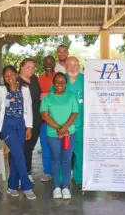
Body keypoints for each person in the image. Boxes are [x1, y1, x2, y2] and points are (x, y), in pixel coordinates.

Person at [0, 65, 36, 200]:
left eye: (11, 74)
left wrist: (29, 127)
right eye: (6, 76)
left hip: (21, 125)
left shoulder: (24, 89)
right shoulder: (1, 90)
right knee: (19, 155)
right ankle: (26, 186)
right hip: (7, 126)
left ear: (16, 74)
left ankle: (12, 186)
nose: (9, 78)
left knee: (15, 157)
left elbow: (29, 109)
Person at [40, 72, 78, 199]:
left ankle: (66, 187)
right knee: (55, 159)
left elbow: (74, 113)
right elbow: (45, 115)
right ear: (53, 83)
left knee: (66, 159)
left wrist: (65, 128)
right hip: (53, 134)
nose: (59, 84)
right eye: (57, 81)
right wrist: (59, 128)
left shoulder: (71, 96)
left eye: (62, 82)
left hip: (69, 134)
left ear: (65, 84)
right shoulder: (47, 98)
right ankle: (56, 187)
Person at [19, 58, 42, 183]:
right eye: (28, 67)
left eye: (33, 67)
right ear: (21, 67)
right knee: (20, 148)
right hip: (22, 121)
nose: (31, 70)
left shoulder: (34, 80)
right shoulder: (16, 82)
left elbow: (36, 97)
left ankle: (27, 172)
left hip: (36, 119)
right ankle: (19, 175)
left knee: (30, 147)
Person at [65, 56, 84, 189]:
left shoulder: (85, 80)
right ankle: (63, 178)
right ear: (65, 66)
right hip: (63, 124)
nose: (73, 67)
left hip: (81, 124)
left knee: (79, 152)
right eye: (70, 65)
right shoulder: (60, 79)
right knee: (64, 153)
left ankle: (79, 177)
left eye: (76, 65)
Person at [38, 56, 56, 182]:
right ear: (43, 64)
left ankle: (57, 172)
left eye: (51, 62)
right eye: (46, 62)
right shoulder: (39, 79)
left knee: (58, 148)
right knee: (45, 146)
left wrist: (48, 94)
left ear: (54, 64)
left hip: (58, 119)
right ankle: (47, 172)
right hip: (44, 119)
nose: (48, 64)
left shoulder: (60, 77)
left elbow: (65, 93)